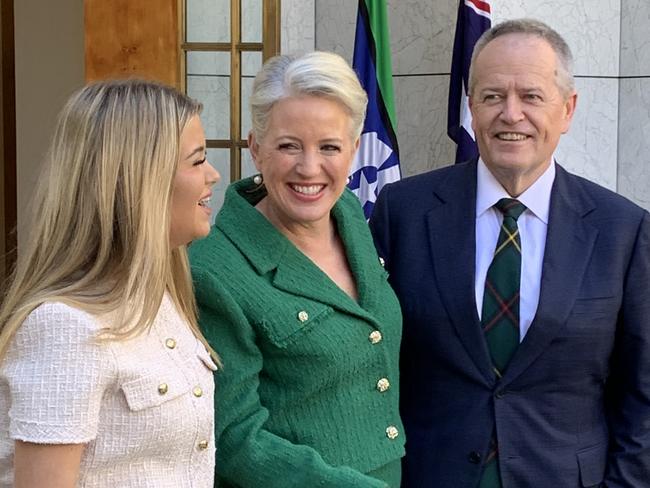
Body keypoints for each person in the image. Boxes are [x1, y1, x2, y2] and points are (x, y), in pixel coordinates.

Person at [370, 18, 650, 488]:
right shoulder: (404, 213)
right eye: (493, 96)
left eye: (531, 96)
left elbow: (643, 397)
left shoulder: (623, 229)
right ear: (471, 107)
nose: (511, 114)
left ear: (568, 109)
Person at [189, 51, 404, 487]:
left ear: (354, 150)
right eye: (289, 146)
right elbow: (233, 440)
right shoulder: (213, 269)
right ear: (255, 147)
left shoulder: (349, 215)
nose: (310, 168)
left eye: (329, 147)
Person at [0, 79, 221, 487]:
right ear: (142, 181)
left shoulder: (163, 300)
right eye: (196, 161)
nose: (213, 174)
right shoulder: (63, 328)